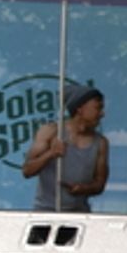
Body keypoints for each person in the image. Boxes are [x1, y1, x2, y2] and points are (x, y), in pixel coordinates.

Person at [22, 83, 109, 212]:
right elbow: (27, 170)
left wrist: (83, 189)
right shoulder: (51, 132)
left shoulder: (101, 143)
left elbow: (100, 184)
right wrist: (51, 153)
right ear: (80, 108)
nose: (102, 114)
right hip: (46, 212)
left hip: (79, 214)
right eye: (98, 108)